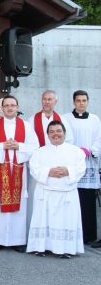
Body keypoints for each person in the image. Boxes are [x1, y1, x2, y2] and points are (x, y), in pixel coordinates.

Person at [27, 121, 86, 258]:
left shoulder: (76, 151)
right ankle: (41, 247)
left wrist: (67, 171)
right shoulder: (39, 152)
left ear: (64, 133)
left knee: (66, 220)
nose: (56, 134)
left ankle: (66, 249)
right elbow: (34, 169)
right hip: (45, 192)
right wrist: (48, 172)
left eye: (58, 131)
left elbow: (81, 168)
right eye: (52, 132)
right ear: (47, 135)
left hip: (67, 194)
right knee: (43, 220)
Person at [0, 95, 38, 252]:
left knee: (19, 205)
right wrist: (2, 145)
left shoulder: (27, 126)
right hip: (0, 170)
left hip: (19, 171)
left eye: (12, 105)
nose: (9, 108)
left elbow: (35, 148)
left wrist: (19, 146)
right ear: (2, 108)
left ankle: (18, 239)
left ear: (17, 107)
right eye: (6, 105)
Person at [26, 90, 74, 230]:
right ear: (41, 101)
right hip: (41, 167)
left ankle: (55, 230)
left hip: (58, 166)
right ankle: (35, 231)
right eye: (44, 99)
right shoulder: (32, 120)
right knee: (37, 200)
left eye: (50, 99)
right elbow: (29, 143)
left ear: (55, 102)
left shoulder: (63, 120)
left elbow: (69, 141)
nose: (47, 102)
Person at [62, 90, 101, 246]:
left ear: (87, 102)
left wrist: (91, 150)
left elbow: (99, 139)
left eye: (84, 100)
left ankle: (89, 235)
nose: (81, 103)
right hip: (72, 162)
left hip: (89, 162)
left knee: (88, 199)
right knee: (72, 199)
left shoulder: (94, 119)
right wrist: (76, 152)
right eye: (78, 100)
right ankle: (72, 233)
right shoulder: (66, 118)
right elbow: (64, 137)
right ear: (73, 102)